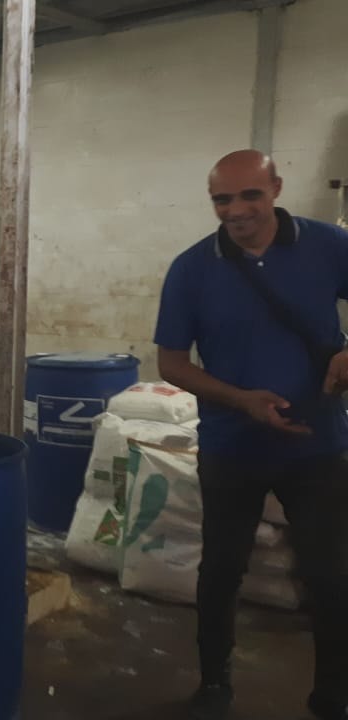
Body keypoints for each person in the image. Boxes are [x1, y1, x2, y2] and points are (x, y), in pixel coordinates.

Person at [155, 149, 348, 720]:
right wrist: (242, 401)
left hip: (316, 443)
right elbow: (171, 363)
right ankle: (214, 685)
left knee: (330, 575)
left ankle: (333, 693)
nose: (236, 210)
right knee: (220, 571)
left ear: (277, 189)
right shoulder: (191, 269)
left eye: (250, 195)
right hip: (231, 446)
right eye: (222, 199)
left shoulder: (327, 245)